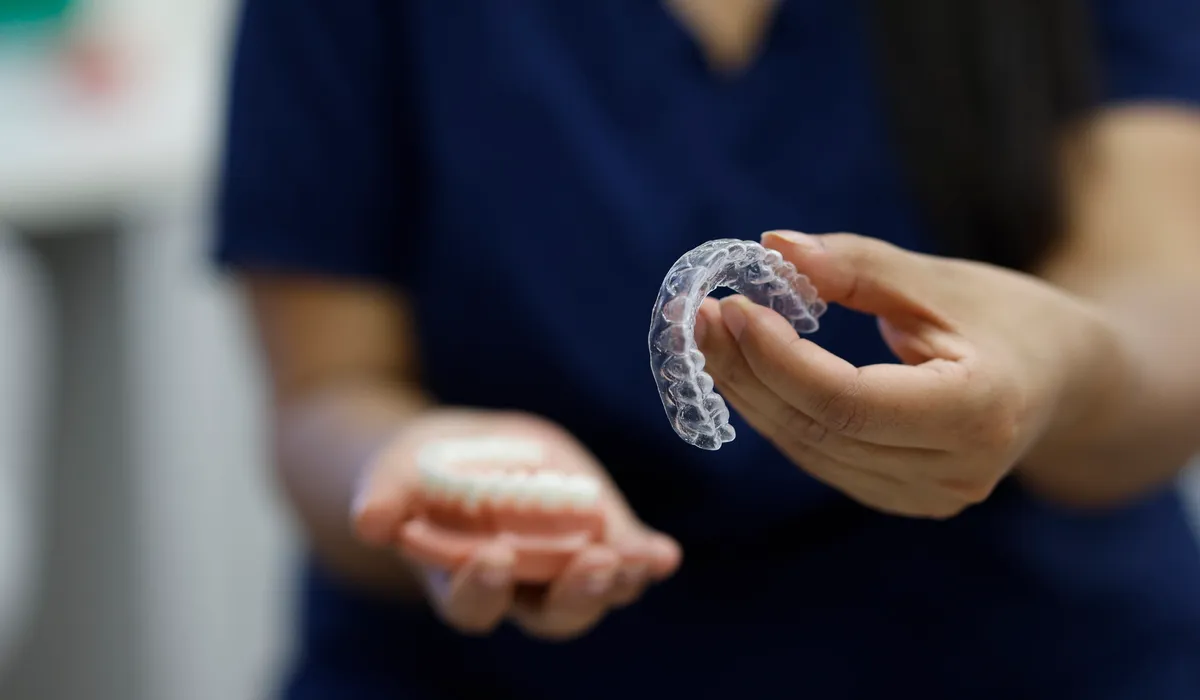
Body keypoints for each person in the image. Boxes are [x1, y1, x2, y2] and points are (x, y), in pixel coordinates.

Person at [214, 1, 1200, 697]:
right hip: (482, 670)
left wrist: (1067, 372)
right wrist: (430, 476)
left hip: (1031, 647)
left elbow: (1163, 317)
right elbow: (326, 391)